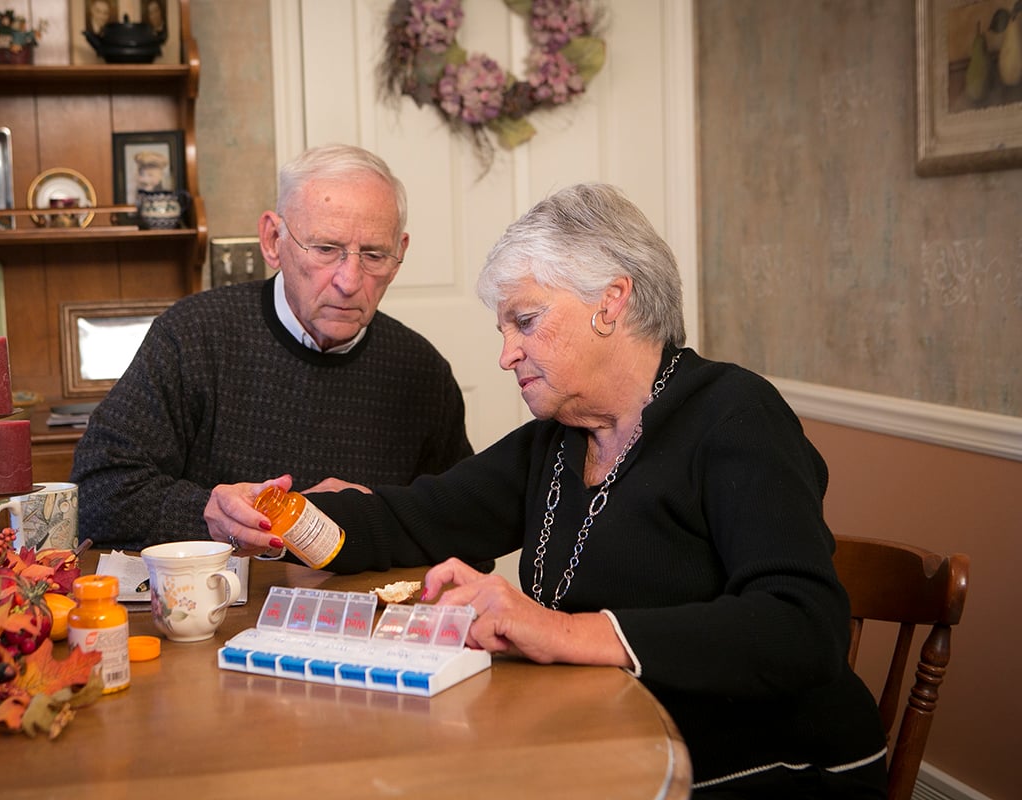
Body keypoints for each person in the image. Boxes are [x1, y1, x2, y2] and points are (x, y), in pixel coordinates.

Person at [206, 184, 890, 798]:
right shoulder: (561, 436)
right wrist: (277, 516)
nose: (506, 353)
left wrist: (561, 631)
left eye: (524, 321)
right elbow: (417, 518)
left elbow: (804, 628)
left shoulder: (734, 414)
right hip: (612, 733)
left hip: (765, 764)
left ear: (610, 303)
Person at [72, 144, 473, 552]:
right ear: (272, 239)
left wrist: (381, 518)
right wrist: (207, 513)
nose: (349, 281)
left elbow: (468, 536)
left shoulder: (422, 372)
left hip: (364, 611)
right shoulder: (194, 336)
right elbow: (96, 495)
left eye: (373, 255)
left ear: (400, 253)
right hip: (225, 608)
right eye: (325, 249)